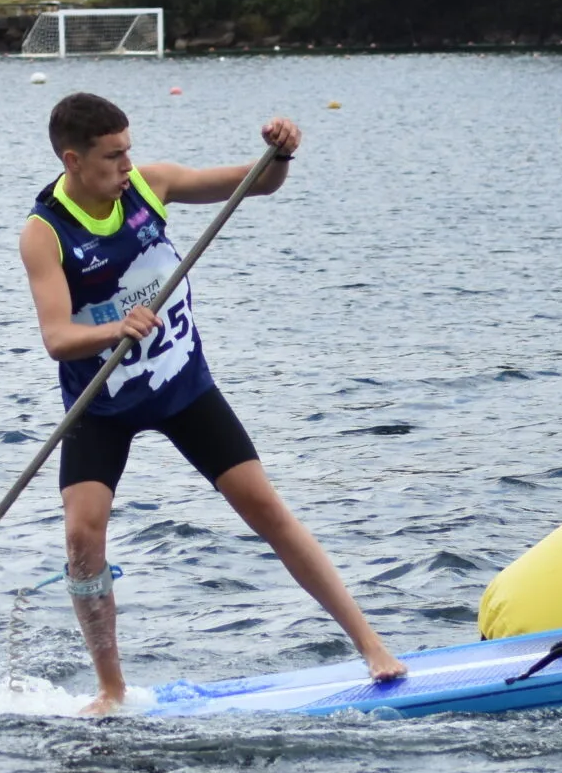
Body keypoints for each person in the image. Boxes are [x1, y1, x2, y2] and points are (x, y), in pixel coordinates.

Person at [22, 93, 407, 713]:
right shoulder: (44, 235)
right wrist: (111, 331)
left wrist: (278, 153)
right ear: (73, 160)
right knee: (80, 536)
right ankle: (111, 691)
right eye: (113, 156)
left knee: (265, 507)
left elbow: (259, 185)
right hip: (103, 401)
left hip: (180, 384)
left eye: (129, 151)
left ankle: (371, 646)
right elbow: (57, 338)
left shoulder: (151, 186)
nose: (127, 166)